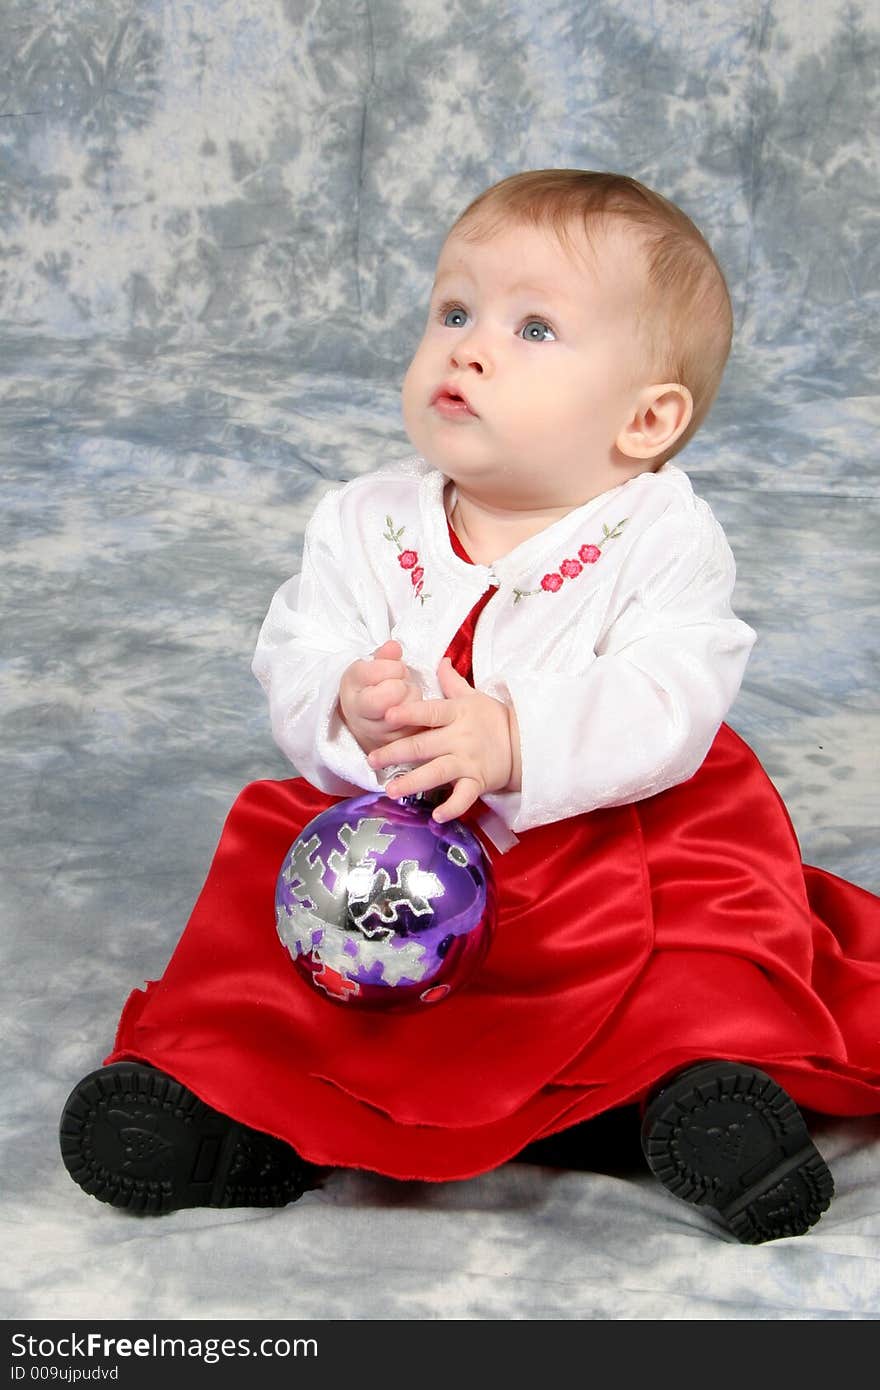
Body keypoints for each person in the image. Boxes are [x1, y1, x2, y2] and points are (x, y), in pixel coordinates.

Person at [59, 170, 880, 1242]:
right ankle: (229, 1106)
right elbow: (298, 641)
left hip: (599, 835)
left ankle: (693, 1093)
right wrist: (345, 704)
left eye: (532, 327)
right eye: (454, 310)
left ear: (645, 419)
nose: (468, 346)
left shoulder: (660, 535)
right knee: (268, 862)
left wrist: (517, 738)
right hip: (398, 860)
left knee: (709, 909)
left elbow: (673, 687)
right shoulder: (363, 522)